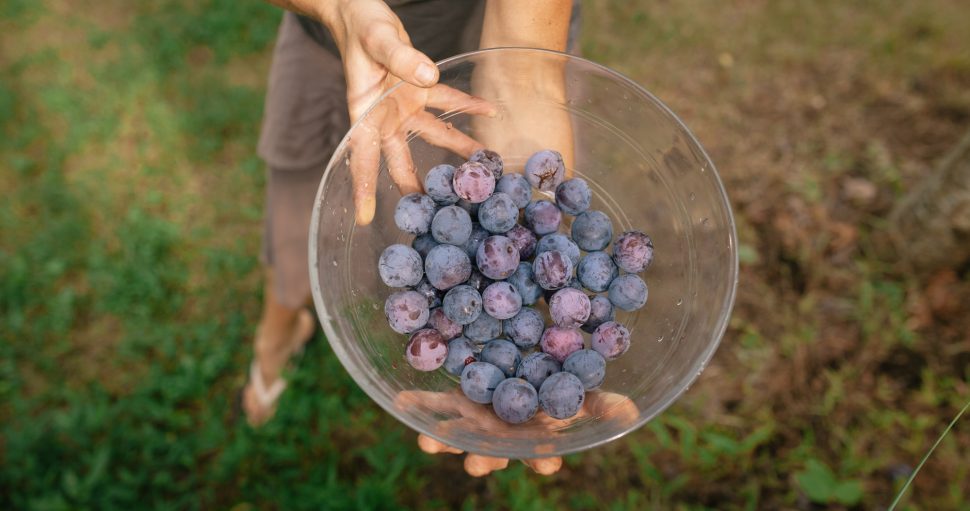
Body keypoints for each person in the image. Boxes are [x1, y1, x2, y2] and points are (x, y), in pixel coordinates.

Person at [243, 0, 579, 476]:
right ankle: (277, 333)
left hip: (482, 45)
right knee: (298, 238)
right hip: (330, 39)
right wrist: (340, 11)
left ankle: (281, 332)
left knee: (405, 236)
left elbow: (522, 70)